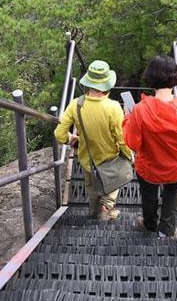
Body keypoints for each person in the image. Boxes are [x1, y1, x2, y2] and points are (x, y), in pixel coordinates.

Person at [123, 55, 177, 238]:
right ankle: (167, 230)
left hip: (150, 168)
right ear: (175, 78)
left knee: (149, 197)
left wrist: (127, 118)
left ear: (150, 77)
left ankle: (149, 225)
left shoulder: (140, 110)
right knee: (172, 195)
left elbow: (133, 143)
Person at [54, 59, 132, 221]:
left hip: (88, 159)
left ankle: (94, 212)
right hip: (110, 158)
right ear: (107, 85)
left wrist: (72, 139)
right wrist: (129, 155)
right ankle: (106, 207)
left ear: (88, 82)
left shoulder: (75, 105)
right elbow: (121, 138)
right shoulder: (114, 107)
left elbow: (60, 134)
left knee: (92, 188)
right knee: (114, 182)